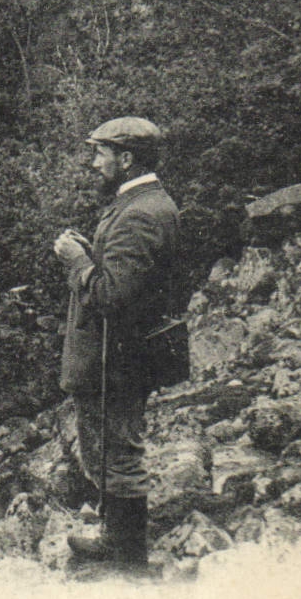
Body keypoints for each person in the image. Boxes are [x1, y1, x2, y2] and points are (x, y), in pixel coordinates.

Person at [53, 116, 179, 571]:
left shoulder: (141, 212)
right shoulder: (142, 203)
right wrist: (93, 255)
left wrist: (76, 260)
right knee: (107, 453)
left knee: (117, 457)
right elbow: (126, 278)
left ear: (126, 159)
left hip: (118, 360)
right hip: (120, 356)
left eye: (100, 154)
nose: (93, 164)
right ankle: (116, 542)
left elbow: (111, 296)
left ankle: (128, 564)